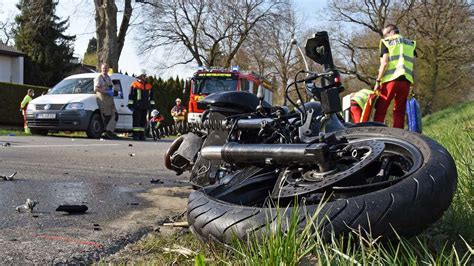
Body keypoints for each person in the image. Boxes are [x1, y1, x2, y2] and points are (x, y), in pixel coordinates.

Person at [374, 24, 416, 129]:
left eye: (385, 35)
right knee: (400, 110)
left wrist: (378, 80)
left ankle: (376, 132)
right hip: (406, 80)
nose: (384, 37)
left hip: (390, 80)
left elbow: (384, 63)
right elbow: (414, 64)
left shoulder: (386, 42)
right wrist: (413, 81)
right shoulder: (410, 43)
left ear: (391, 32)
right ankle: (399, 134)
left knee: (381, 109)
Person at [94, 63, 119, 139]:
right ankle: (107, 133)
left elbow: (111, 87)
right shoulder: (99, 77)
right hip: (103, 99)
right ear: (101, 69)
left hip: (110, 100)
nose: (104, 70)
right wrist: (107, 92)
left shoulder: (108, 77)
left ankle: (109, 131)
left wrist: (115, 92)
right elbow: (96, 89)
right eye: (103, 68)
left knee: (115, 115)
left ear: (108, 69)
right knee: (106, 117)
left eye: (106, 68)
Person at [128, 71, 154, 140]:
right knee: (136, 121)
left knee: (143, 121)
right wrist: (130, 105)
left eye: (145, 76)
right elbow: (131, 95)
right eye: (143, 76)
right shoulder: (134, 84)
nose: (145, 77)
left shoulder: (149, 86)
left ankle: (142, 135)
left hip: (145, 106)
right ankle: (136, 135)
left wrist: (152, 106)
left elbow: (151, 97)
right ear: (139, 77)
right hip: (137, 106)